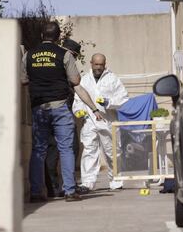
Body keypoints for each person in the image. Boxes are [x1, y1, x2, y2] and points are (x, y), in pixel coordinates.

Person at [21, 22, 103, 202]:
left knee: (38, 150)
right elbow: (75, 80)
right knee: (66, 149)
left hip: (38, 108)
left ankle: (36, 193)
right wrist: (94, 108)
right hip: (60, 106)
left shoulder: (28, 55)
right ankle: (69, 191)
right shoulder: (64, 54)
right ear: (58, 38)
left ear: (42, 35)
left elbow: (23, 80)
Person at [72, 53, 129, 193]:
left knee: (112, 153)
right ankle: (87, 183)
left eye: (101, 64)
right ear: (91, 63)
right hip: (89, 122)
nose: (98, 67)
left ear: (105, 64)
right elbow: (78, 99)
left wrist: (110, 102)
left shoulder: (112, 79)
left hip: (108, 121)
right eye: (96, 64)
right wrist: (79, 111)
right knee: (89, 151)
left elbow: (124, 98)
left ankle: (116, 181)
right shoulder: (84, 80)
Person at [44, 38, 82, 198]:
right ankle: (69, 187)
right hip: (61, 110)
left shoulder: (48, 60)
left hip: (43, 109)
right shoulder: (64, 60)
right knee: (70, 148)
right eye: (73, 55)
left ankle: (54, 187)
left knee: (50, 150)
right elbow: (75, 82)